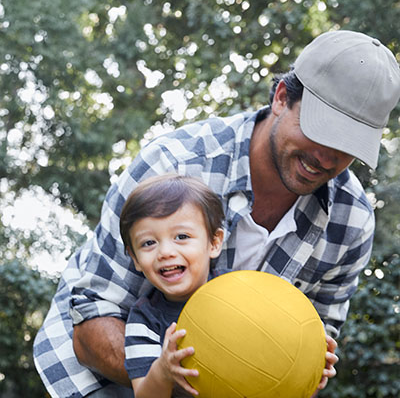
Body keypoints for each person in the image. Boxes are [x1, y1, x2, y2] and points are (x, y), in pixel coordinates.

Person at [33, 30, 400, 398]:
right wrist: (191, 376)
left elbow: (316, 339)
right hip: (100, 384)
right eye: (320, 131)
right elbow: (91, 327)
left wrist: (307, 364)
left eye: (346, 146)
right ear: (282, 98)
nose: (325, 157)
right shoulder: (173, 164)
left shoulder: (351, 222)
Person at [120, 174, 224, 397]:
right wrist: (163, 371)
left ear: (214, 243)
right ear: (136, 259)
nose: (165, 252)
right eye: (149, 243)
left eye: (182, 236)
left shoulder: (238, 293)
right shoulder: (144, 320)